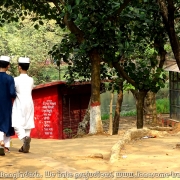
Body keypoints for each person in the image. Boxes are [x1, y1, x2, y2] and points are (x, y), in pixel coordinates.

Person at [12, 57, 34, 153]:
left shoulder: (15, 79)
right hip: (29, 102)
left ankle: (24, 138)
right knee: (28, 123)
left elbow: (13, 91)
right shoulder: (31, 79)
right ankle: (25, 145)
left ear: (19, 67)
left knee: (16, 123)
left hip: (19, 102)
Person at [0, 55, 16, 156]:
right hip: (6, 104)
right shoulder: (9, 78)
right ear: (8, 66)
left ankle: (0, 141)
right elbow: (12, 93)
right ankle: (6, 146)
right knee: (6, 122)